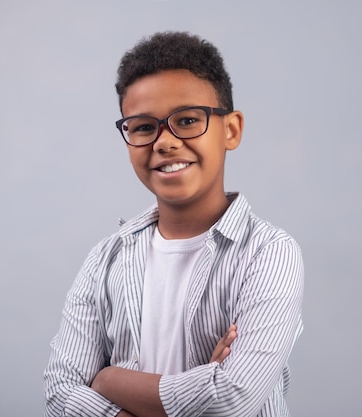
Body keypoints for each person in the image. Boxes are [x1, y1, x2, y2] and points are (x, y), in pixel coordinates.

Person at [44, 31, 304, 417]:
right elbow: (59, 392)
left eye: (186, 120)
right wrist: (201, 384)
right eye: (144, 127)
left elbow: (232, 400)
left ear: (230, 130)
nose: (164, 142)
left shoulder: (269, 253)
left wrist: (108, 381)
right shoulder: (105, 259)